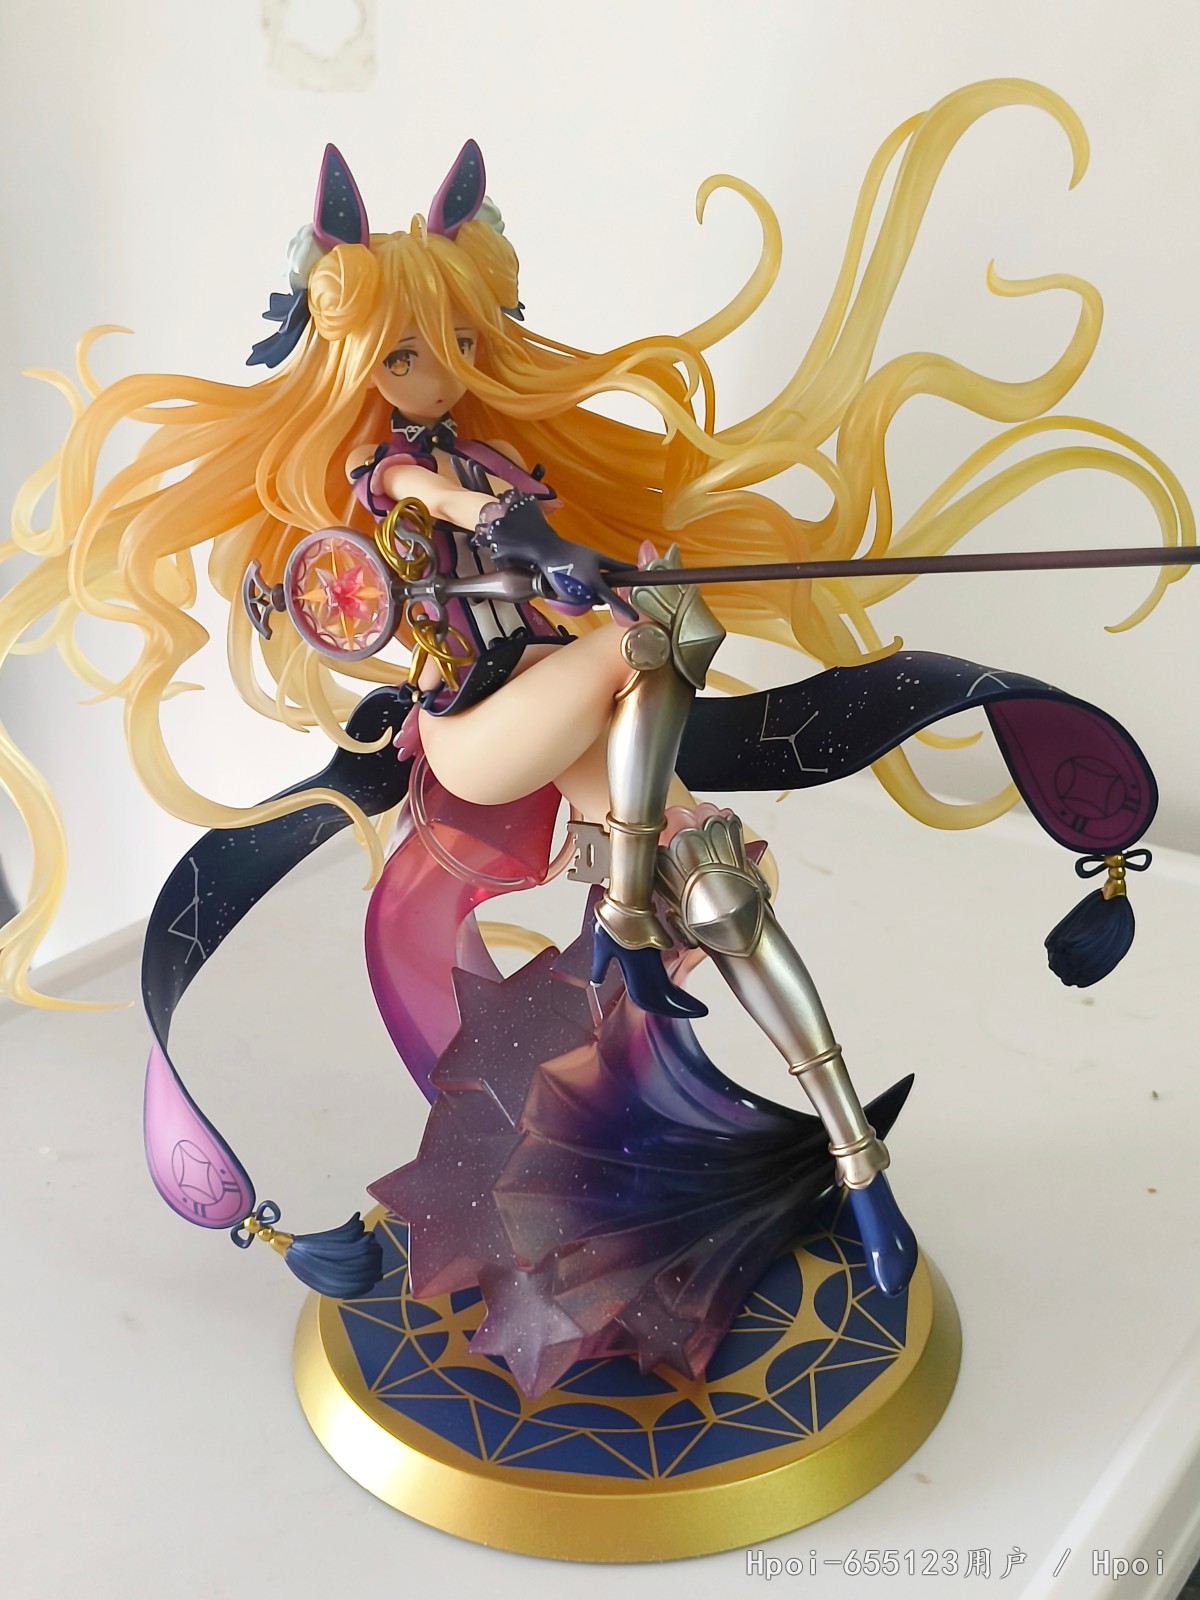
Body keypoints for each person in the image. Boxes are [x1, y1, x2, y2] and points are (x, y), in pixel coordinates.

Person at [1, 83, 1189, 1372]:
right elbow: (436, 506)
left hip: (568, 723)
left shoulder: (499, 461)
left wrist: (591, 573)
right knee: (646, 643)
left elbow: (544, 569)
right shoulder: (392, 474)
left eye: (459, 341)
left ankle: (862, 1180)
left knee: (726, 892)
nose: (434, 371)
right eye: (403, 354)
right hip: (472, 736)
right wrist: (530, 545)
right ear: (353, 364)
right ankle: (621, 911)